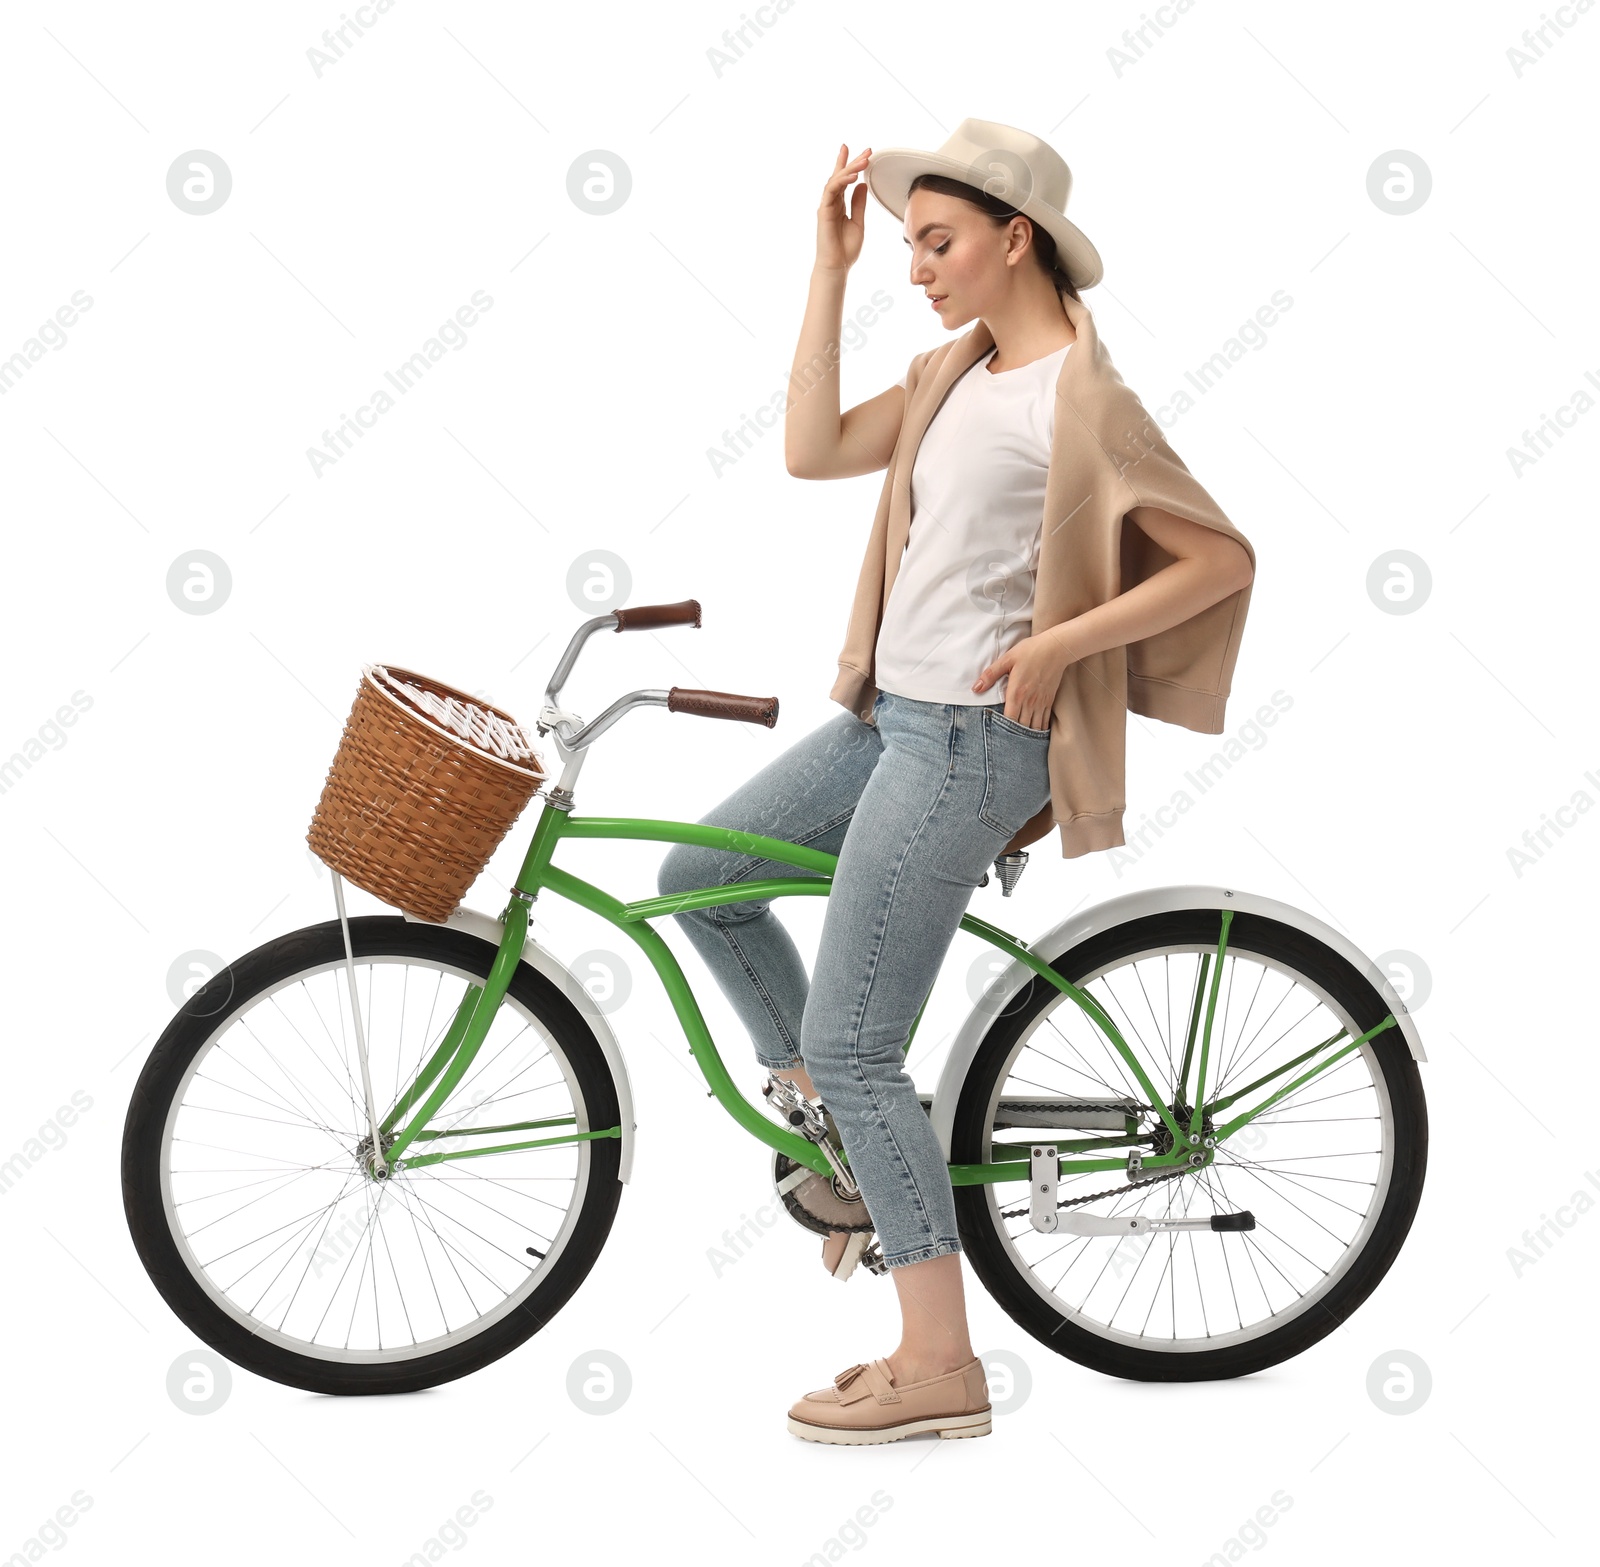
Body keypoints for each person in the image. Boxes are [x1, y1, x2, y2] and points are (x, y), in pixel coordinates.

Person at [657, 119, 1255, 1444]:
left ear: (1015, 239)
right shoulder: (949, 375)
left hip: (978, 744)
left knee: (858, 1044)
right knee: (701, 878)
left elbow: (1215, 559)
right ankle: (854, 1148)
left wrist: (1059, 641)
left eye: (937, 243)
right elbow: (810, 450)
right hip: (889, 720)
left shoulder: (1083, 401)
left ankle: (940, 1364)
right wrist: (828, 268)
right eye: (910, 245)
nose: (916, 268)